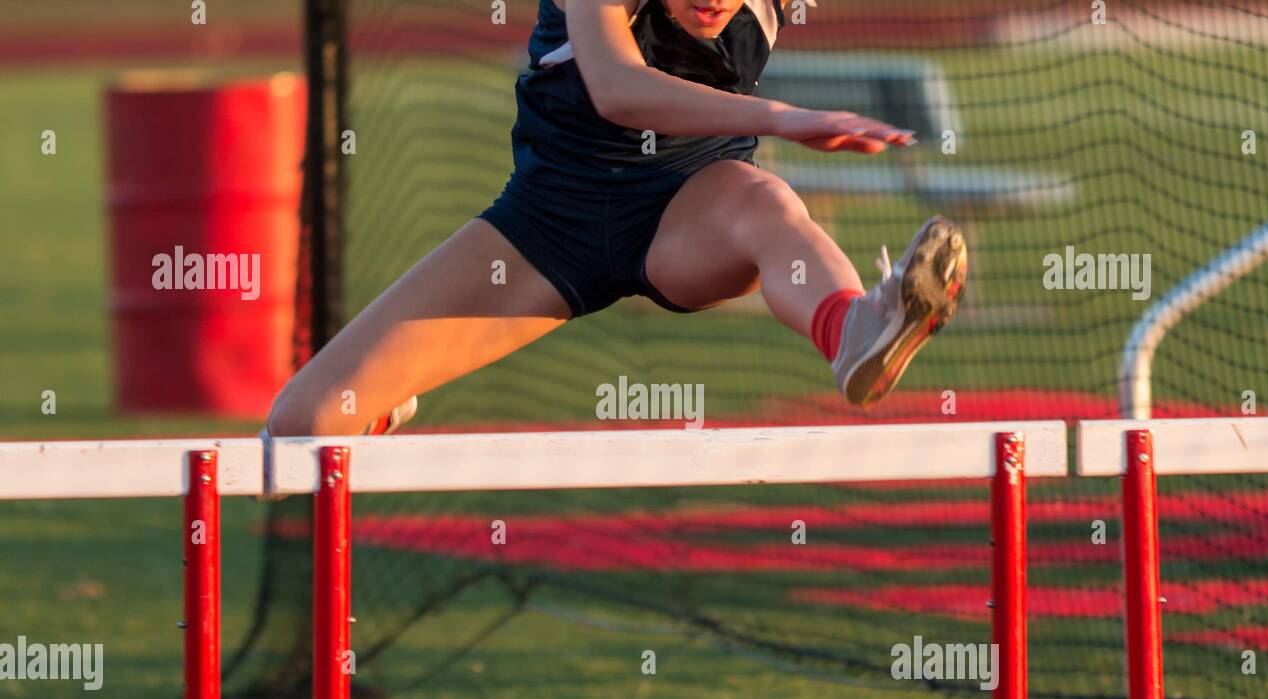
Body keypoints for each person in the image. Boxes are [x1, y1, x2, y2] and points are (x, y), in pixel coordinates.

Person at [264, 0, 968, 438]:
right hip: (548, 227)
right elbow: (617, 90)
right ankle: (387, 395)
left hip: (692, 212)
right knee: (303, 424)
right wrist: (785, 119)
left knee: (768, 204)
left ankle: (854, 326)